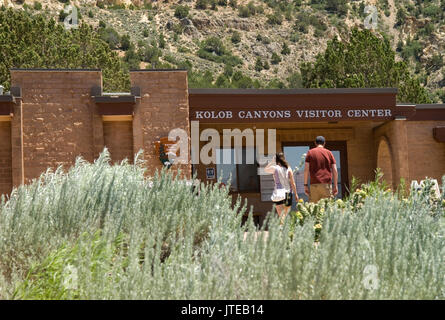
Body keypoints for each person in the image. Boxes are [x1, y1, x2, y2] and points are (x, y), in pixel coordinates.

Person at [265, 153, 298, 224]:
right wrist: (296, 194)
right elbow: (293, 183)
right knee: (286, 215)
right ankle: (289, 231)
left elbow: (265, 169)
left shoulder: (275, 168)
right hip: (288, 193)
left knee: (281, 217)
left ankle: (283, 232)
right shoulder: (288, 168)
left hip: (278, 194)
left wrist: (272, 161)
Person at [304, 136, 338, 203]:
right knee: (327, 209)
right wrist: (335, 185)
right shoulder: (329, 153)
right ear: (324, 143)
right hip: (326, 185)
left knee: (314, 209)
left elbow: (306, 170)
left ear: (315, 143)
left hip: (314, 185)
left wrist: (305, 185)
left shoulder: (310, 153)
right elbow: (335, 170)